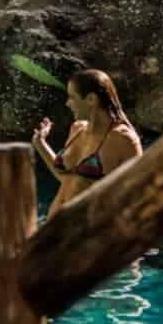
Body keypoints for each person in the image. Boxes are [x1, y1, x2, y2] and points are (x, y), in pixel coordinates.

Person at [32, 69, 142, 218]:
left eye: (72, 97)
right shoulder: (77, 128)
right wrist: (40, 144)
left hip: (85, 233)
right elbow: (67, 180)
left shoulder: (123, 139)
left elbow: (137, 195)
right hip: (53, 226)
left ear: (91, 99)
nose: (67, 103)